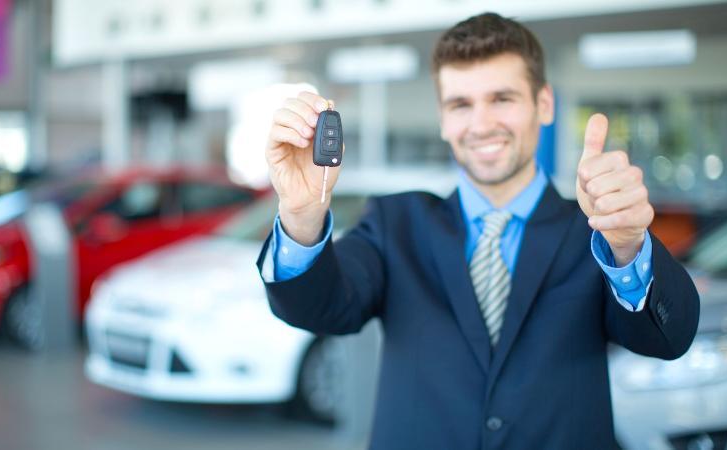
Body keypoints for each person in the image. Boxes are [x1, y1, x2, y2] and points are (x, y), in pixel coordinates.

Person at [256, 12, 699, 450]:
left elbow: (669, 338)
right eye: (461, 105)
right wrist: (301, 214)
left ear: (544, 104)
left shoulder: (596, 234)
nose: (482, 125)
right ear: (443, 119)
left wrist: (627, 246)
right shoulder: (395, 224)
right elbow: (318, 309)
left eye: (502, 98)